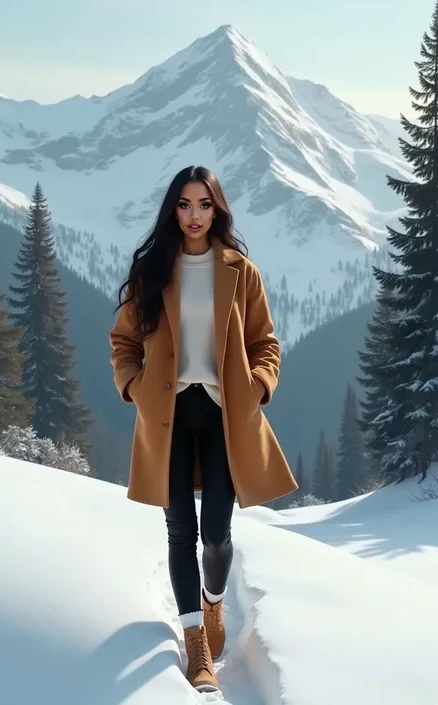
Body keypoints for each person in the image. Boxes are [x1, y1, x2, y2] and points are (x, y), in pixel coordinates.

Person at [109, 165, 297, 692]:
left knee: (216, 531)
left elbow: (266, 343)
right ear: (173, 209)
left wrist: (259, 386)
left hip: (224, 416)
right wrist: (133, 386)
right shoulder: (152, 270)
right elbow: (122, 341)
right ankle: (197, 646)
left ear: (218, 209)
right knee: (179, 531)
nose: (194, 216)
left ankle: (214, 606)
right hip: (167, 416)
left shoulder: (240, 270)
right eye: (185, 205)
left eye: (204, 205)